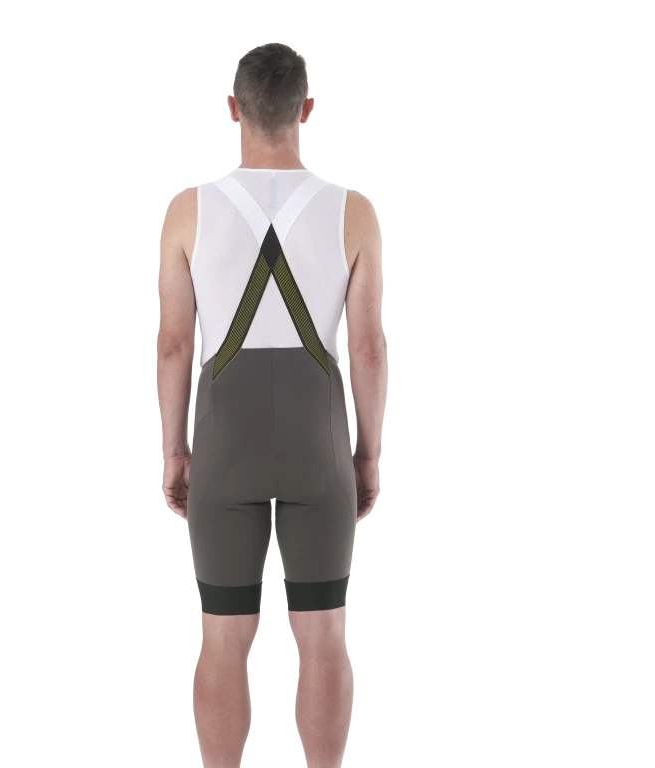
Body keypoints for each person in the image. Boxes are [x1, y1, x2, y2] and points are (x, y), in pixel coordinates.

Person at [157, 41, 387, 768]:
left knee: (223, 634)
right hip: (318, 445)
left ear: (233, 108)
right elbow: (366, 350)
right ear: (307, 109)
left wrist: (175, 449)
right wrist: (368, 452)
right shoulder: (353, 213)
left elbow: (175, 346)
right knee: (325, 632)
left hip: (226, 446)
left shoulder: (188, 212)